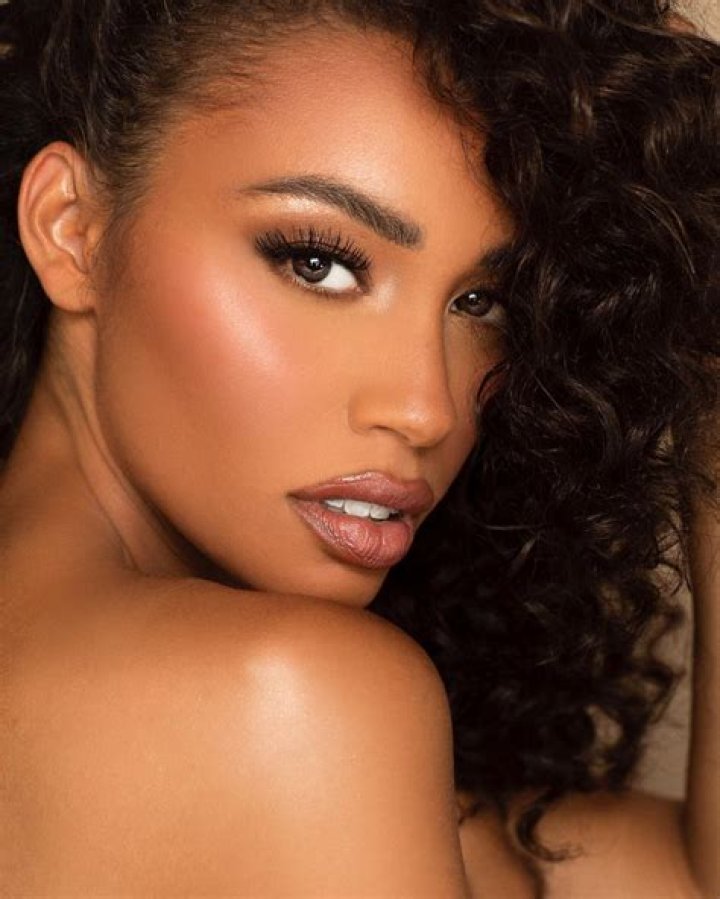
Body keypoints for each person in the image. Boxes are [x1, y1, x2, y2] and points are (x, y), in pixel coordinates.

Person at [0, 0, 717, 895]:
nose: (426, 407)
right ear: (71, 226)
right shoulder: (291, 700)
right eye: (318, 262)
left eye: (480, 303)